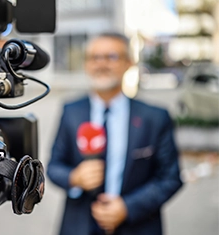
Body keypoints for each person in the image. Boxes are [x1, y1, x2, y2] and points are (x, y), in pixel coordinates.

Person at [47, 32, 183, 235]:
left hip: (138, 225)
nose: (101, 64)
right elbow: (54, 166)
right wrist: (74, 177)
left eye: (111, 57)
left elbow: (170, 178)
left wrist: (128, 207)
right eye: (95, 57)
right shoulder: (71, 112)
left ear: (129, 63)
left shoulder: (155, 118)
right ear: (86, 64)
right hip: (79, 225)